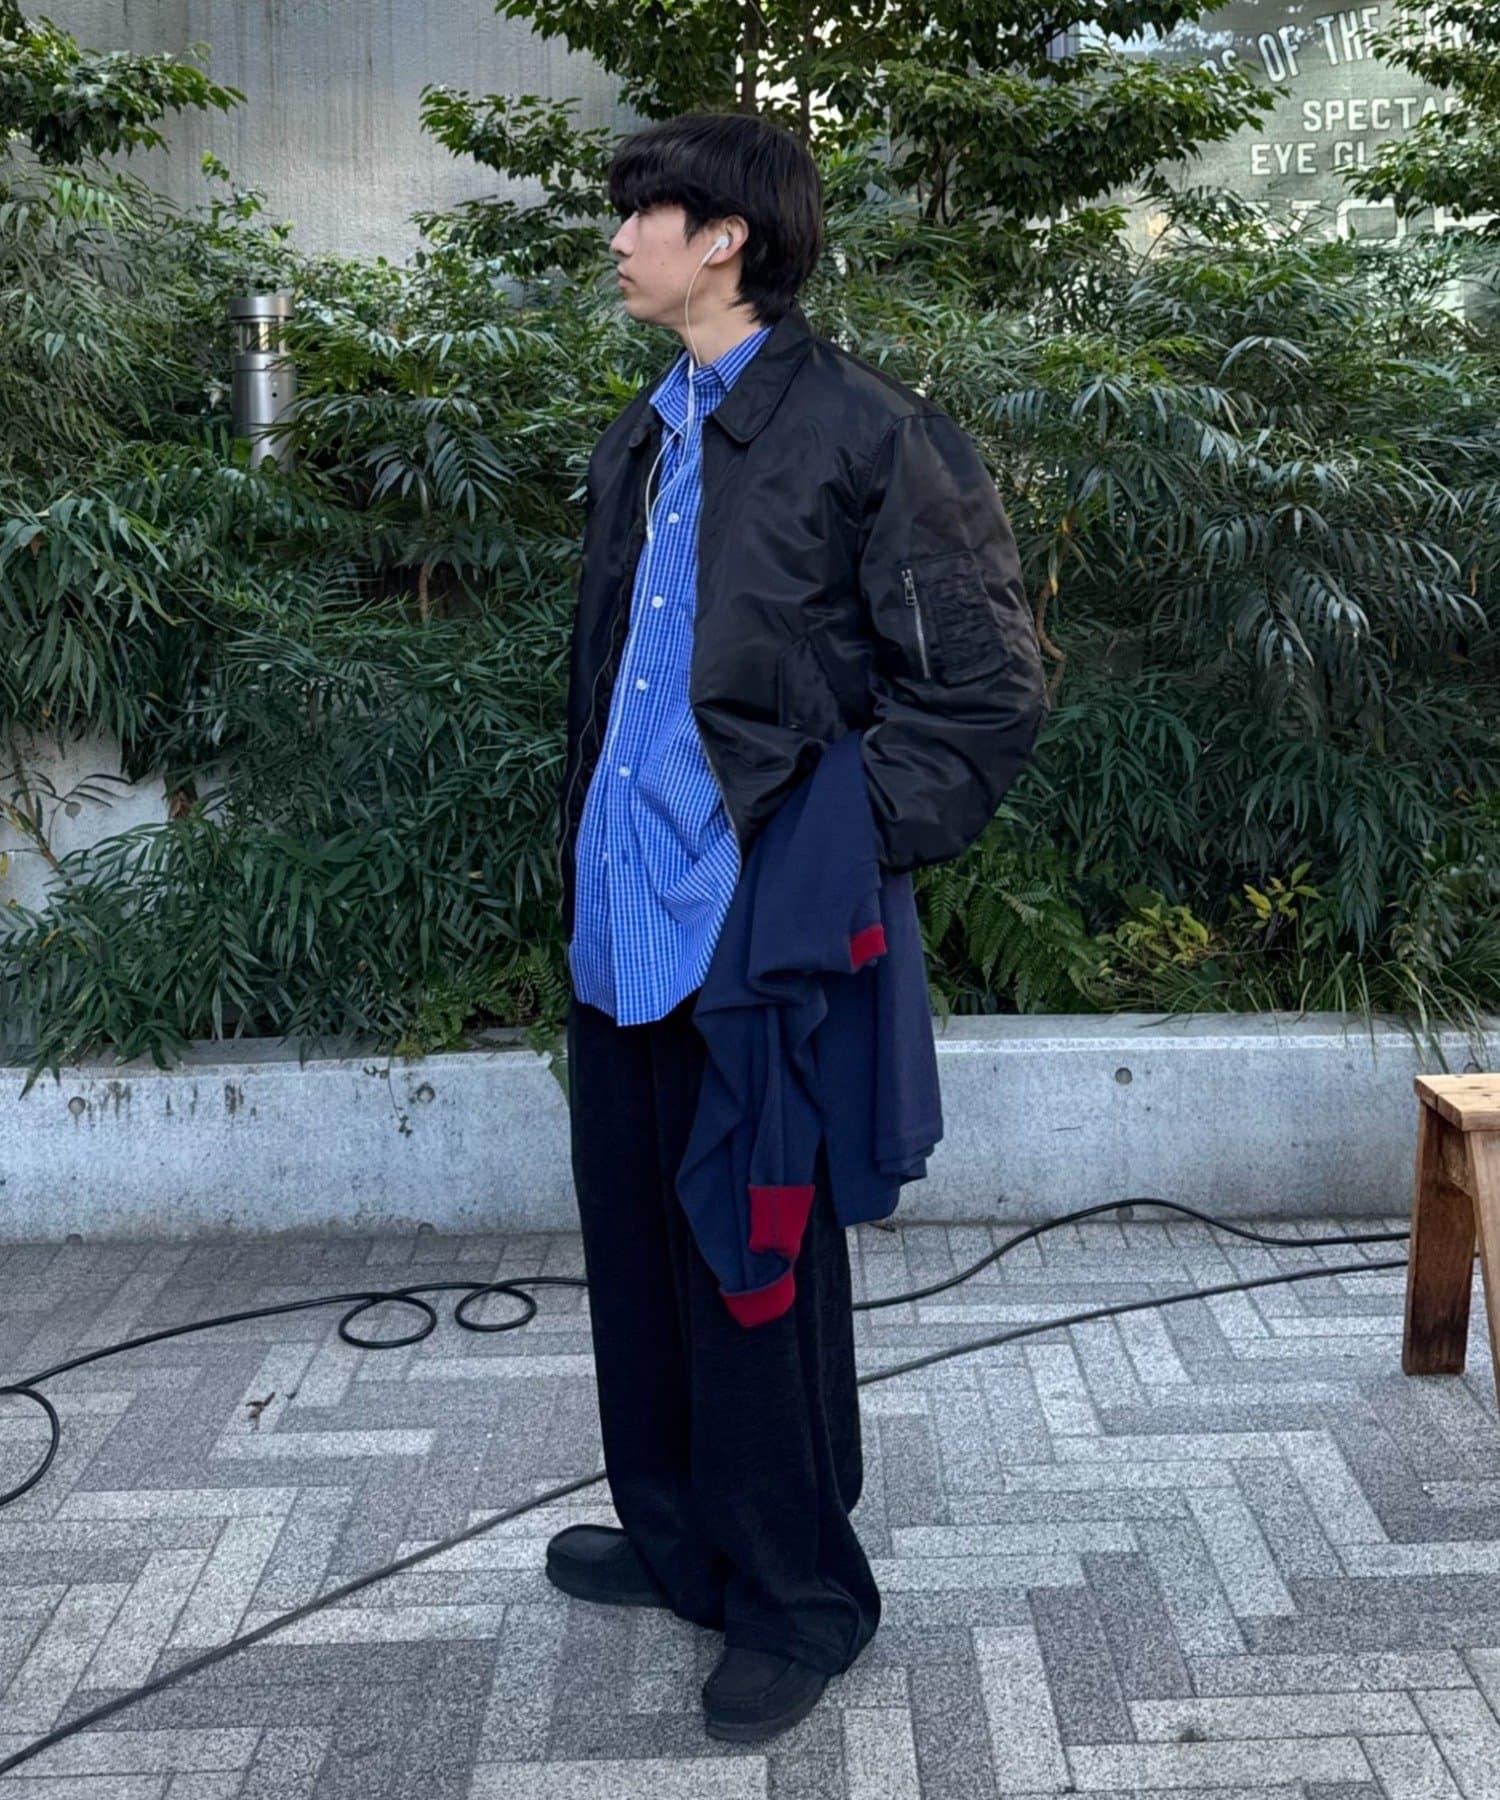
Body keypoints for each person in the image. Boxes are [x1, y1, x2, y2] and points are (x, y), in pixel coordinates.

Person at [550, 110, 1050, 1743]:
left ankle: (798, 1596)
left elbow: (982, 701)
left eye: (644, 214)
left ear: (727, 240)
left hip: (749, 928)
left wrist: (820, 860)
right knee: (642, 1251)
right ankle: (683, 1536)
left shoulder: (871, 433)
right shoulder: (649, 431)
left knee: (752, 1262)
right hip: (622, 919)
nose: (618, 239)